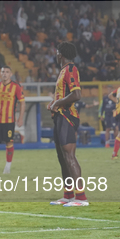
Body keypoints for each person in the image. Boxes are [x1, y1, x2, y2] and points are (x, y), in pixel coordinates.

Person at [48, 42, 88, 207]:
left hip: (68, 115)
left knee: (69, 155)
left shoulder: (71, 69)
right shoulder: (63, 70)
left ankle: (81, 198)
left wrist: (58, 102)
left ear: (61, 54)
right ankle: (68, 194)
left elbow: (77, 94)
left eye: (57, 52)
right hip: (60, 115)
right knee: (62, 157)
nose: (56, 55)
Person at [109, 85, 120, 159]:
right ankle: (114, 154)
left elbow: (110, 95)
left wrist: (117, 102)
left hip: (118, 111)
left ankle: (114, 154)